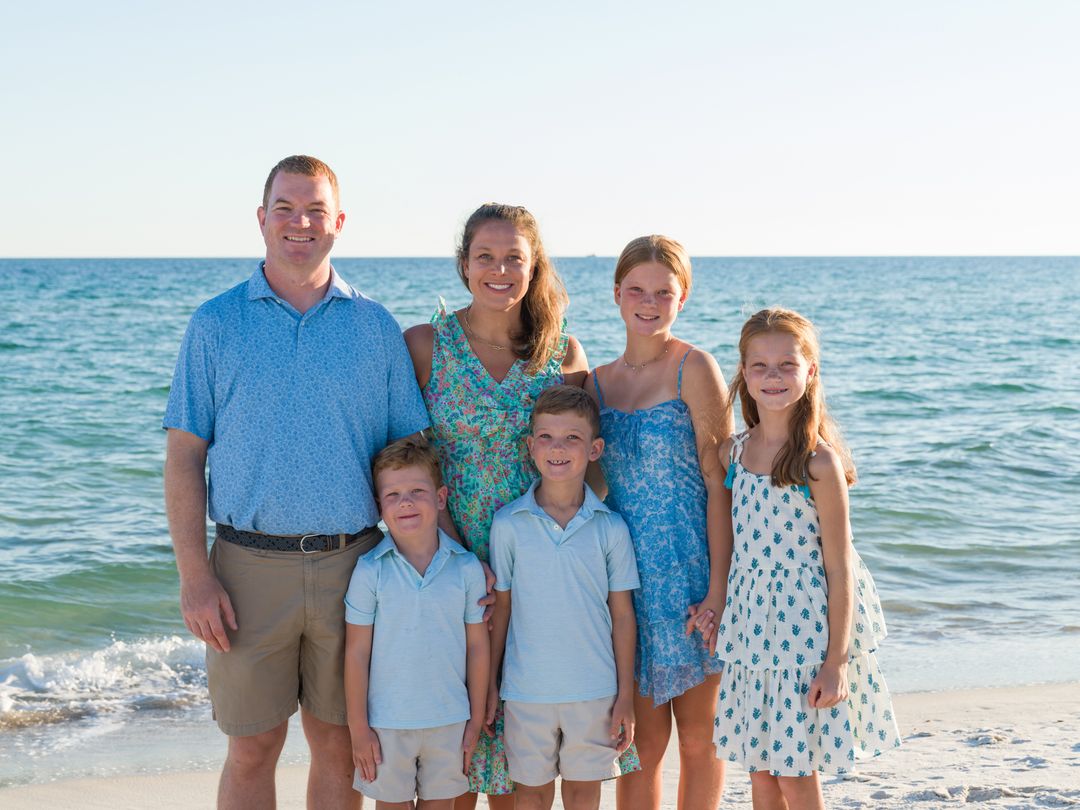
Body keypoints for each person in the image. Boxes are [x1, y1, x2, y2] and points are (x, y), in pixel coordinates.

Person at [163, 155, 429, 809]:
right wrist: (195, 576)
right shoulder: (216, 324)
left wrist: (428, 567)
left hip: (356, 566)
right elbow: (182, 459)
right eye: (284, 208)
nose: (299, 223)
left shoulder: (374, 328)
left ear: (339, 222)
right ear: (261, 219)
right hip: (246, 569)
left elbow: (412, 456)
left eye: (314, 210)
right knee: (253, 747)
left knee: (341, 744)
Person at [404, 203, 641, 808]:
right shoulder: (425, 345)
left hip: (540, 577)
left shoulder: (561, 353)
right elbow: (406, 462)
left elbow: (592, 461)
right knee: (458, 746)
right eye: (485, 256)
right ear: (463, 265)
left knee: (521, 757)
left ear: (534, 269)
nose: (500, 269)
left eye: (515, 258)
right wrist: (453, 554)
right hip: (449, 565)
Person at [711, 307, 900, 809]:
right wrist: (718, 605)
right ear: (744, 375)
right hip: (752, 629)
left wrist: (835, 662)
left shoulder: (818, 462)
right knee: (759, 770)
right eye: (760, 366)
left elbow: (840, 568)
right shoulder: (735, 451)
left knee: (795, 772)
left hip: (803, 632)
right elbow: (731, 542)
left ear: (810, 371)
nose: (773, 377)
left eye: (786, 365)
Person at [584, 235, 731, 810]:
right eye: (638, 290)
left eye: (663, 293)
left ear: (682, 297)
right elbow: (591, 487)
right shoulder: (594, 383)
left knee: (699, 739)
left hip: (693, 575)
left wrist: (718, 590)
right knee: (639, 746)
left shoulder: (695, 368)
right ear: (617, 294)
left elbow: (720, 487)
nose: (649, 302)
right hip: (627, 586)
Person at [487, 386, 639, 810]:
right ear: (530, 446)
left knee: (582, 795)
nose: (558, 449)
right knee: (531, 795)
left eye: (572, 438)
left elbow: (623, 617)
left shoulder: (611, 528)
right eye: (547, 437)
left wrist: (625, 695)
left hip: (594, 691)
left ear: (595, 449)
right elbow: (502, 608)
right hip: (524, 691)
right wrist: (490, 685)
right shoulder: (508, 525)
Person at [344, 436, 490, 809]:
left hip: (450, 721)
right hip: (387, 724)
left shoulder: (467, 568)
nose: (405, 502)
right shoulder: (369, 571)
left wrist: (474, 718)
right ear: (379, 507)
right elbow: (357, 653)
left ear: (440, 499)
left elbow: (477, 647)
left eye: (416, 491)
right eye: (392, 495)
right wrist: (358, 728)